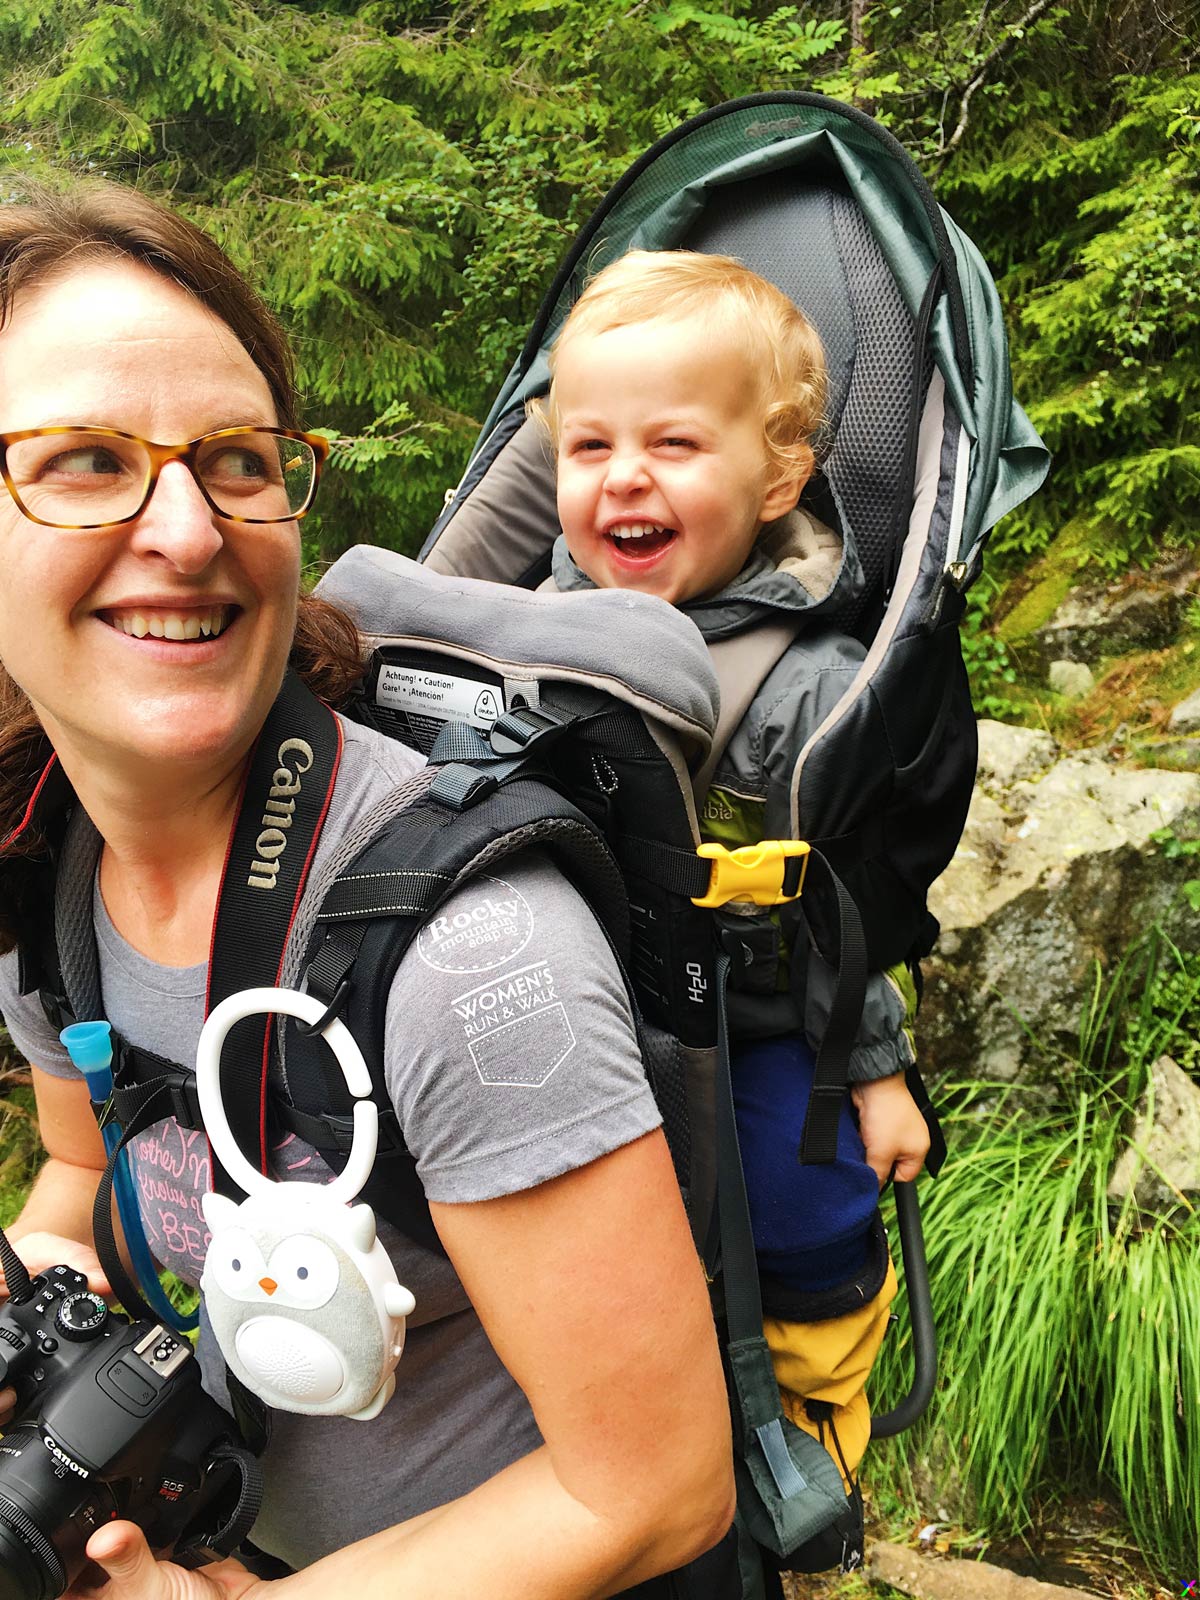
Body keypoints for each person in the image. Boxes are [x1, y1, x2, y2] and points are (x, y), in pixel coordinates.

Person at [0, 185, 734, 1599]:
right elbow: (90, 1170)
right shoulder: (44, 865)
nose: (188, 529)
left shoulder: (466, 947)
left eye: (235, 459)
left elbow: (651, 1487)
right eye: (86, 460)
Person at [532, 249, 932, 1481]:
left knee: (808, 1205)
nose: (624, 479)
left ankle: (814, 1415)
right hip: (590, 1015)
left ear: (778, 477)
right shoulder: (535, 632)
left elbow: (847, 905)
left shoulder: (805, 680)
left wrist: (873, 1073)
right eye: (588, 449)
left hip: (770, 1018)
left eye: (674, 447)